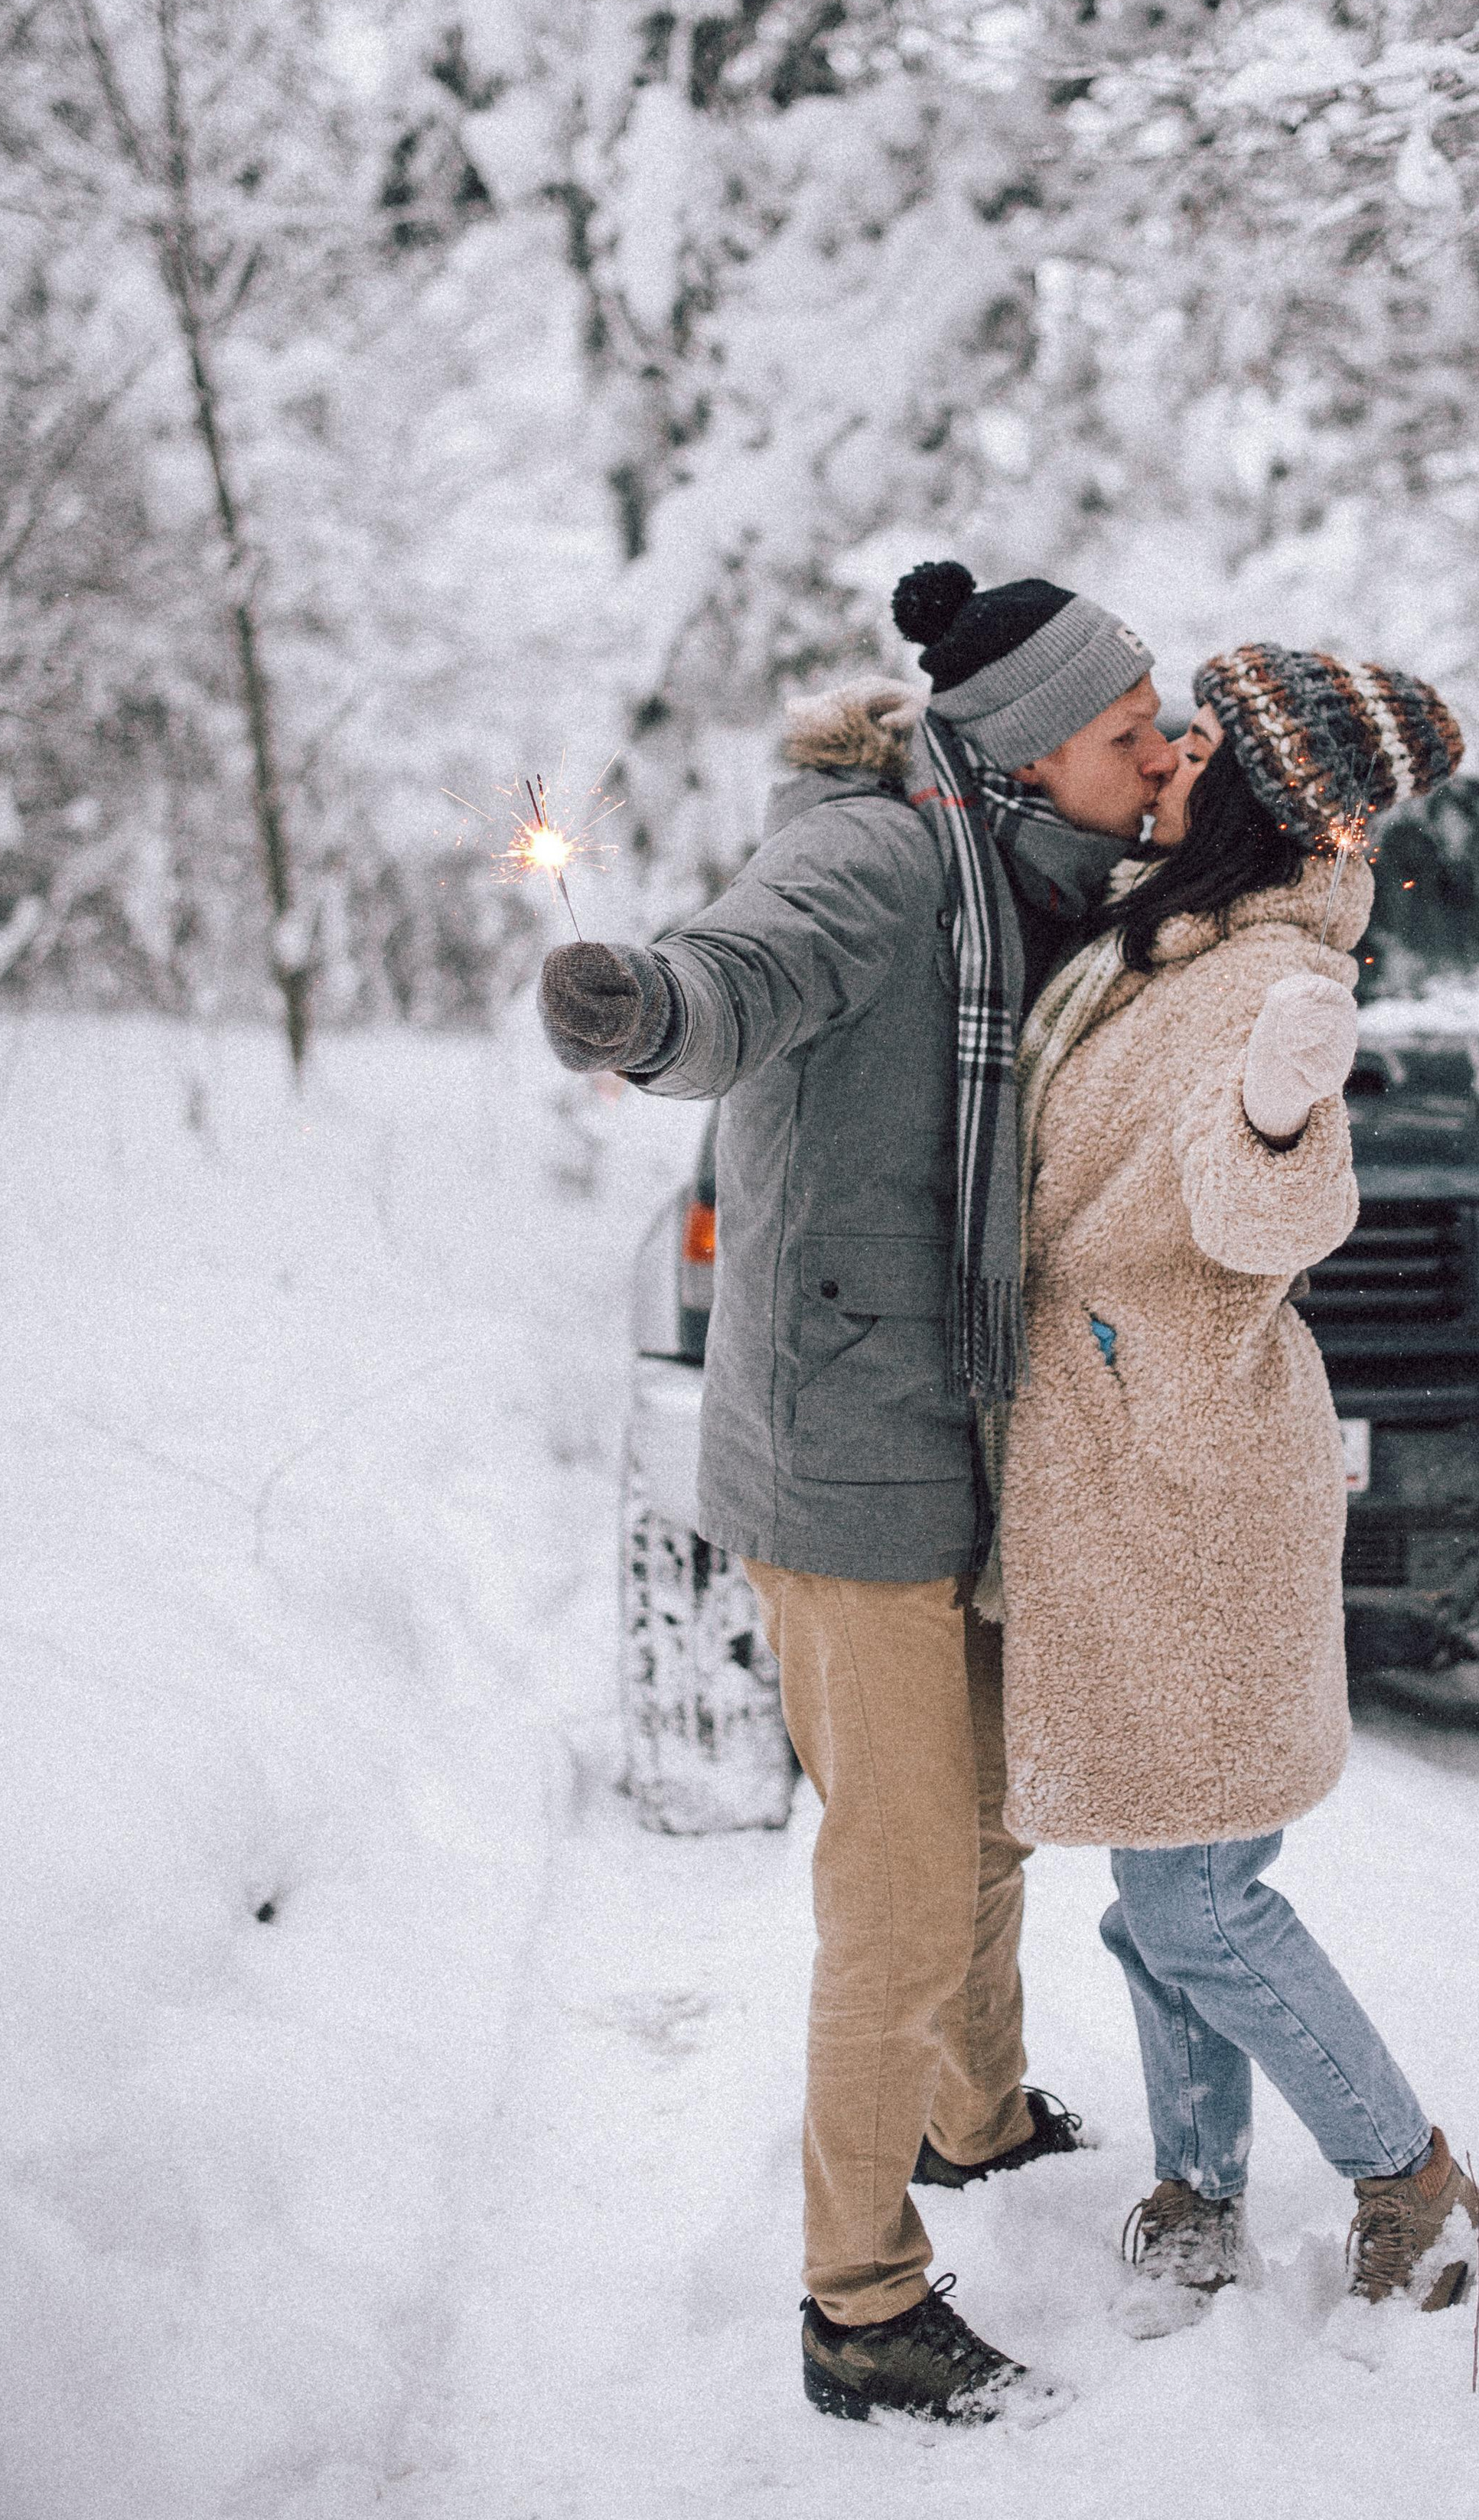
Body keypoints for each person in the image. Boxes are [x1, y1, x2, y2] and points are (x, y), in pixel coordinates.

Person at [536, 562, 1174, 2425]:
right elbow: (737, 974)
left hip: (964, 1424)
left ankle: (973, 2116)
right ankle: (858, 2303)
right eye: (1129, 737)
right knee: (898, 1884)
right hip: (845, 1443)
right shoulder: (887, 868)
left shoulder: (1040, 887)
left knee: (984, 1820)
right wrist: (639, 1006)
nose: (1157, 762)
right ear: (1032, 750)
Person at [994, 642, 1479, 2320]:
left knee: (1194, 1894)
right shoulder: (1166, 938)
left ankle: (1408, 2176)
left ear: (1266, 794)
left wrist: (1284, 1120)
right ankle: (1197, 2184)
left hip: (1183, 1489)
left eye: (1202, 737)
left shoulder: (1262, 983)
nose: (1176, 752)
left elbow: (1257, 1217)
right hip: (1132, 1475)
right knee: (1164, 1889)